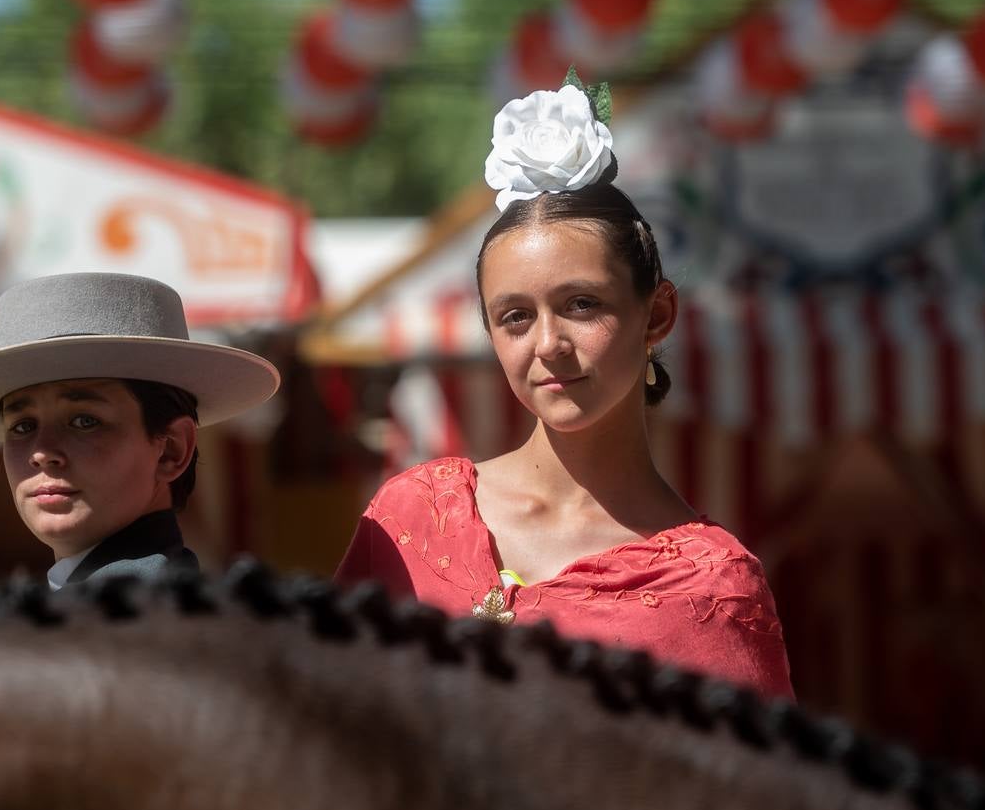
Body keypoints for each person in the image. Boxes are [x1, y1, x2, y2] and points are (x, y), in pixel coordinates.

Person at [335, 82, 794, 700]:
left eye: (582, 304)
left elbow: (746, 794)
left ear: (656, 315)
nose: (548, 343)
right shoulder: (411, 517)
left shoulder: (714, 588)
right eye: (515, 317)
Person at [0, 272, 279, 589]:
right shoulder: (125, 608)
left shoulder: (129, 622)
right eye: (22, 426)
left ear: (172, 450)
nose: (42, 451)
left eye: (85, 421)